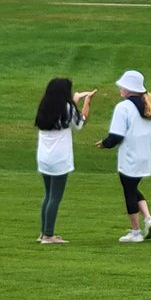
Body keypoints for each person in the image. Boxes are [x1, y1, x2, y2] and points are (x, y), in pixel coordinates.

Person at [97, 70, 151, 241]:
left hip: (129, 156)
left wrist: (105, 144)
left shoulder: (123, 107)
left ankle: (135, 232)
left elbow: (116, 136)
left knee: (129, 190)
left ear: (128, 89)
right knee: (132, 188)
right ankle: (148, 219)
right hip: (145, 156)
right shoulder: (149, 105)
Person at [34, 78, 96, 243]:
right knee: (55, 197)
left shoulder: (44, 106)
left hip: (44, 157)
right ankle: (48, 235)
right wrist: (86, 102)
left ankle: (43, 232)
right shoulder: (67, 108)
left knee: (48, 195)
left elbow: (65, 112)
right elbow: (80, 122)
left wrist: (74, 101)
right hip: (59, 159)